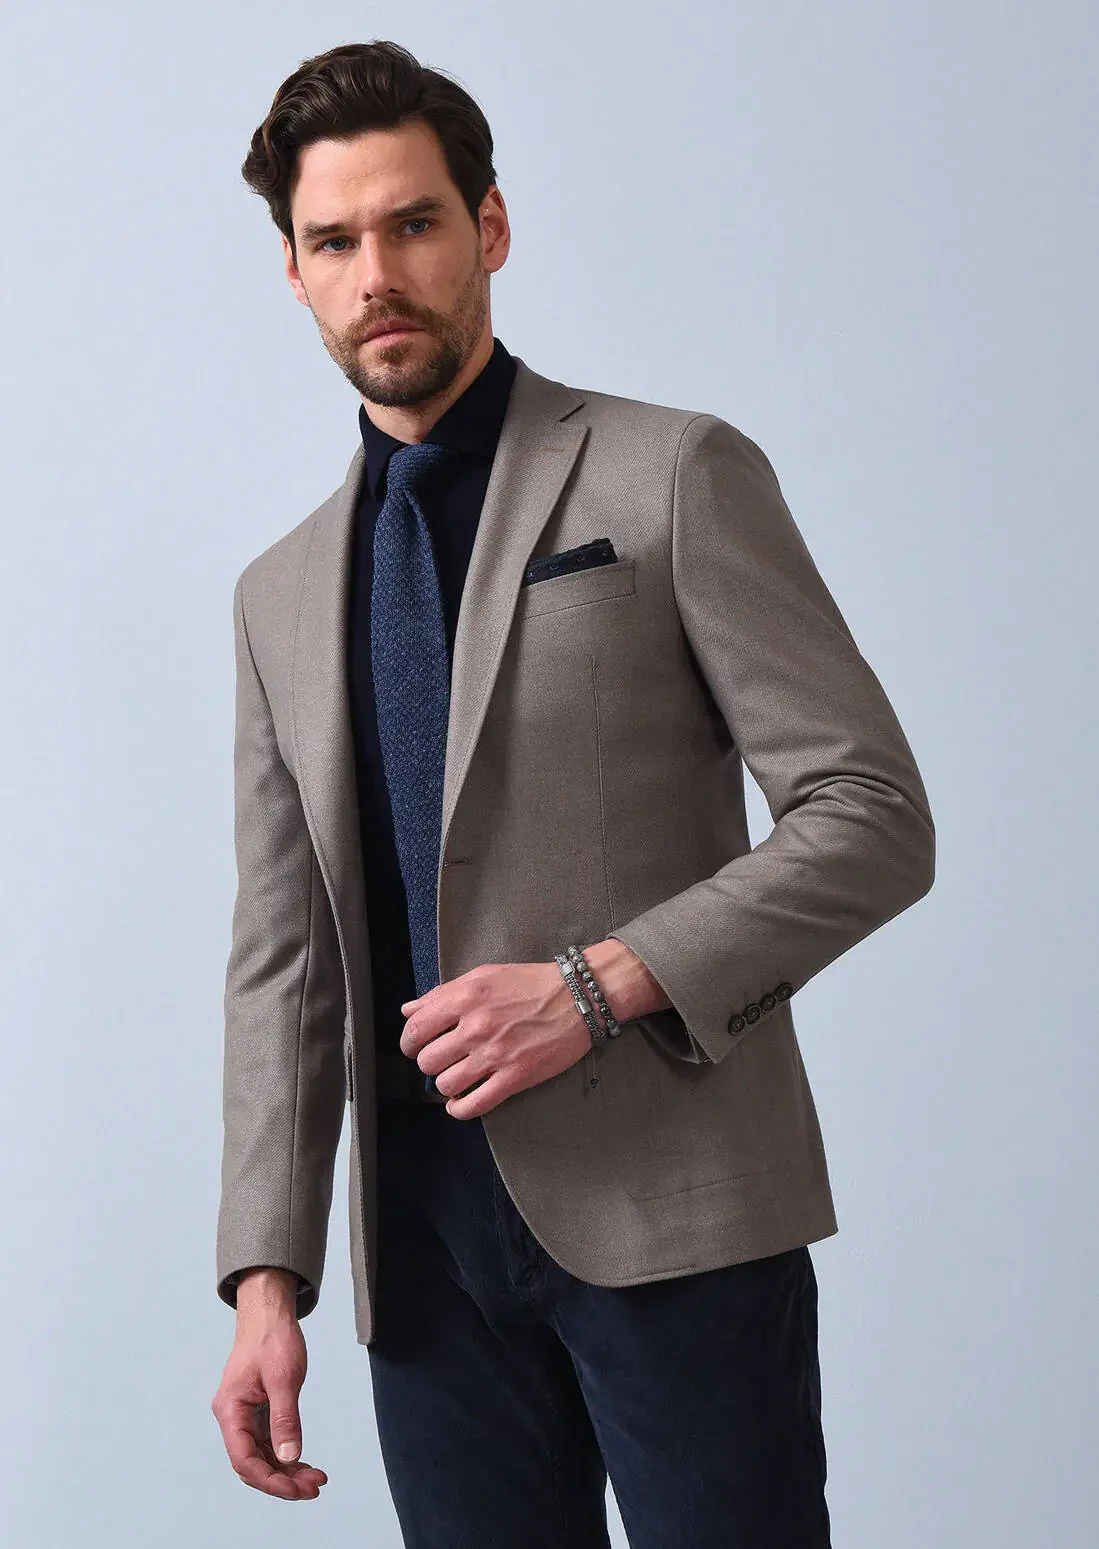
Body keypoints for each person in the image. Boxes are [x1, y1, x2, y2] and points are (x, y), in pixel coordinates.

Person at [210, 38, 935, 1548]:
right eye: (333, 242)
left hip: (677, 1215)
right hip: (423, 1266)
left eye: (413, 223)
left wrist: (596, 986)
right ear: (292, 272)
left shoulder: (667, 474)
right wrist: (266, 1281)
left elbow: (868, 811)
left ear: (489, 227)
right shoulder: (278, 593)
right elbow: (285, 961)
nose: (375, 276)